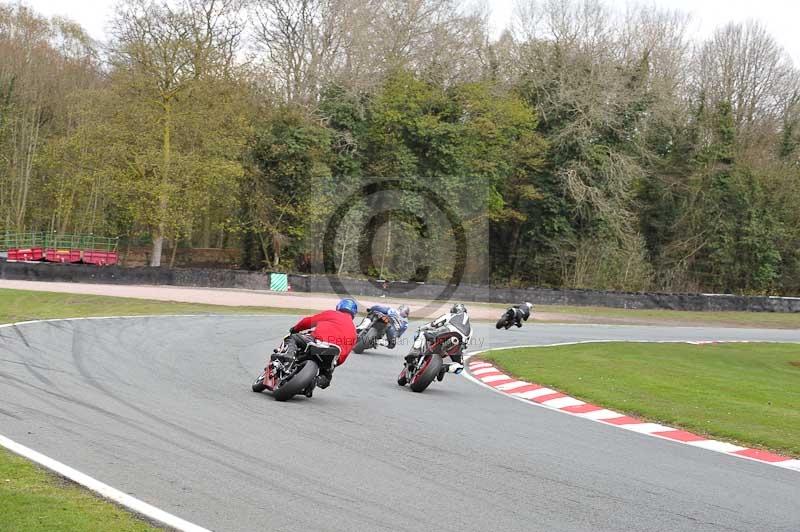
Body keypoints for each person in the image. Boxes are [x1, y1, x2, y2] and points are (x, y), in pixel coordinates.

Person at [277, 298, 358, 392]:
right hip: (332, 354)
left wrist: (295, 329)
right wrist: (334, 364)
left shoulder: (332, 314)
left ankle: (289, 357)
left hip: (317, 344)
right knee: (326, 379)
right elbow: (345, 355)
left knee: (293, 337)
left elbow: (308, 321)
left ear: (338, 307)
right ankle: (316, 381)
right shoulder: (354, 331)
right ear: (354, 313)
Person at [405, 303, 471, 378]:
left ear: (453, 310)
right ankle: (443, 368)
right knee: (460, 367)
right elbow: (466, 345)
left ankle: (415, 351)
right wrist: (459, 351)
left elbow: (434, 324)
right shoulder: (470, 329)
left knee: (423, 334)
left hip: (447, 333)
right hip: (459, 344)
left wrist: (421, 328)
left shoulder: (451, 315)